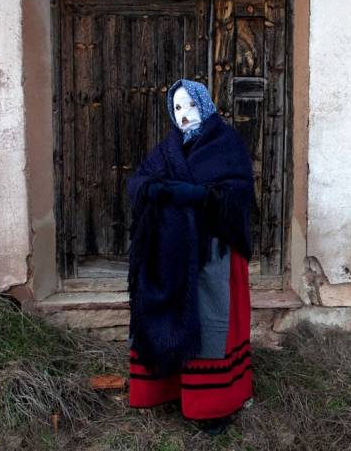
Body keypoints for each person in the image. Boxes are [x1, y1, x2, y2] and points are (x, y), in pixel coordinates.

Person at [125, 79, 255, 435]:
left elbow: (238, 194)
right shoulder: (167, 148)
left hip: (213, 252)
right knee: (165, 312)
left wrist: (198, 196)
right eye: (177, 108)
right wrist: (154, 188)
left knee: (211, 319)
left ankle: (211, 404)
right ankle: (165, 388)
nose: (184, 115)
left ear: (206, 105)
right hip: (168, 253)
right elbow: (136, 183)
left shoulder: (225, 144)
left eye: (190, 106)